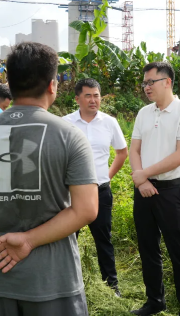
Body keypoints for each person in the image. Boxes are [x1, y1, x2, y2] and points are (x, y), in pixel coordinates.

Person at [0, 42, 98, 316]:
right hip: (52, 279)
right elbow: (86, 209)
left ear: (9, 84)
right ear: (52, 85)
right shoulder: (69, 135)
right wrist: (28, 240)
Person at [129, 62, 180, 316]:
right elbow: (134, 149)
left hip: (172, 191)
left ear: (167, 82)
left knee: (179, 251)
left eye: (151, 82)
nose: (146, 87)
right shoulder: (144, 113)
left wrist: (143, 175)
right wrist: (142, 182)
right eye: (144, 83)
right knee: (148, 247)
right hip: (144, 190)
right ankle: (155, 301)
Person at [63, 78, 128, 298]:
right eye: (88, 95)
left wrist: (105, 177)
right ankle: (66, 284)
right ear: (77, 98)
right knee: (68, 237)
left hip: (100, 191)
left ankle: (112, 287)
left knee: (104, 239)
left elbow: (122, 152)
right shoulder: (65, 123)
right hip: (71, 192)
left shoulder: (109, 122)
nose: (93, 100)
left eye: (97, 95)